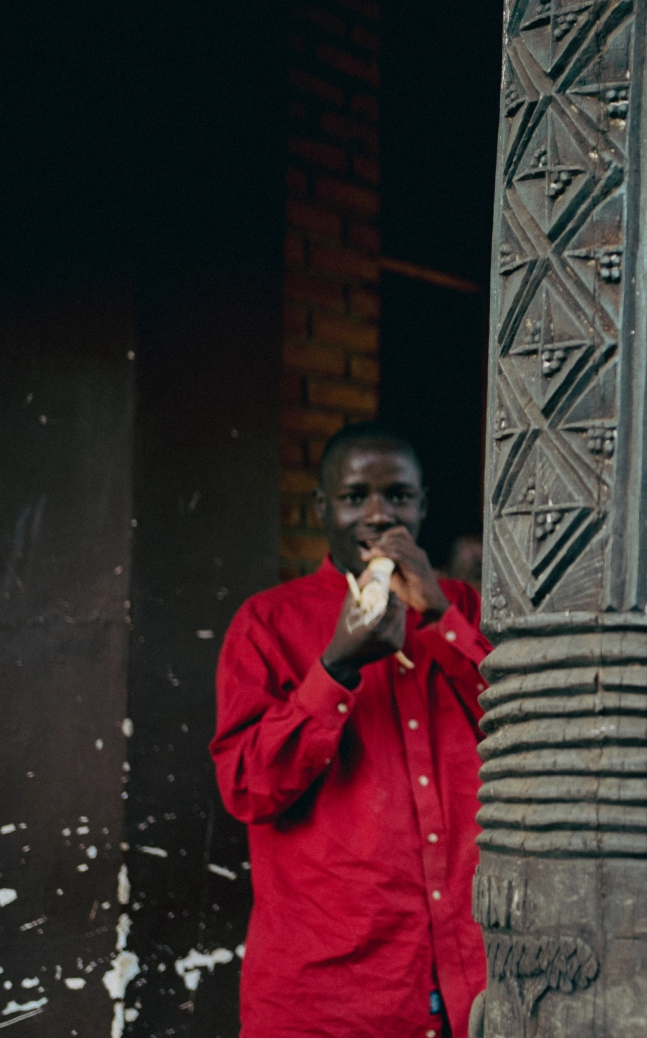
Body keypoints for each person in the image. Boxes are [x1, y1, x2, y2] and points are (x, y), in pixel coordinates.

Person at [211, 422, 492, 1037]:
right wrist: (336, 665)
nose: (377, 514)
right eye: (353, 496)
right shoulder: (267, 623)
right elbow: (248, 786)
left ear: (422, 506)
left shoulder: (466, 608)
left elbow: (522, 732)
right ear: (320, 508)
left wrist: (441, 615)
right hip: (332, 1000)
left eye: (397, 496)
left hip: (473, 985)